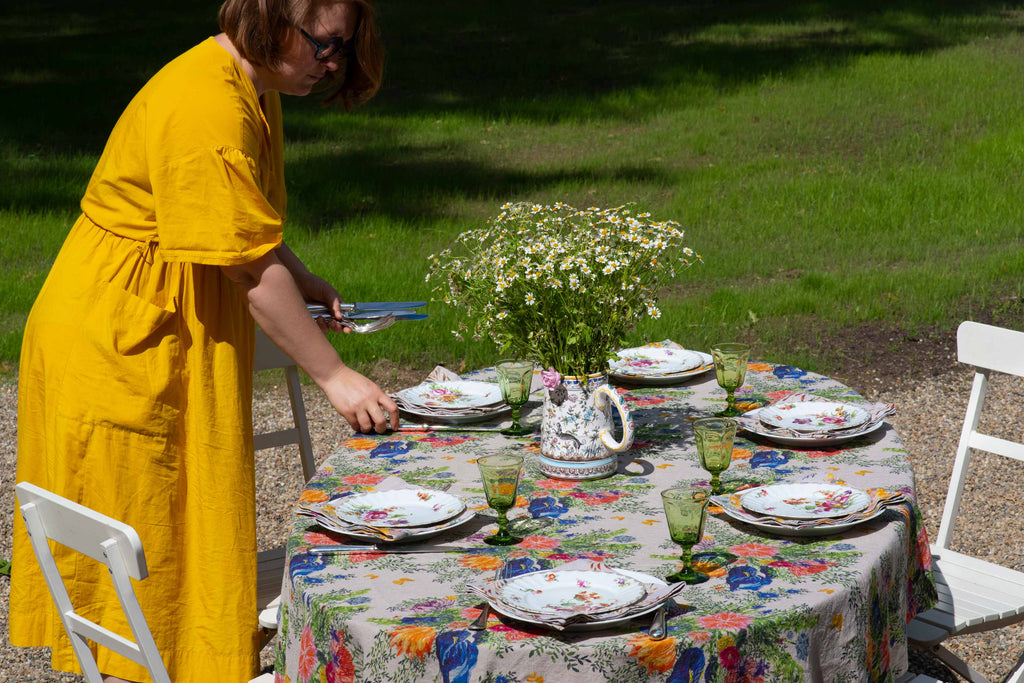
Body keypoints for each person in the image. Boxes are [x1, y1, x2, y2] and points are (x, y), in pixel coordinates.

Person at [9, 0, 398, 680]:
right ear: (273, 19)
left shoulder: (254, 85)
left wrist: (300, 275)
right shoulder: (207, 105)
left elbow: (247, 229)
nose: (334, 62)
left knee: (181, 520)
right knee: (151, 530)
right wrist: (334, 374)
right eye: (326, 44)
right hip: (120, 332)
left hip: (154, 311)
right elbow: (248, 270)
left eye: (344, 47)